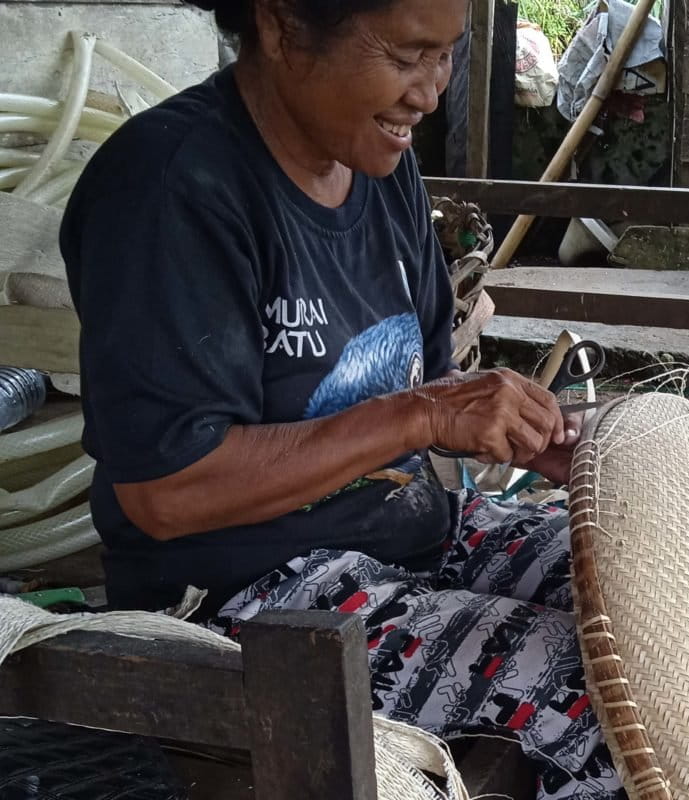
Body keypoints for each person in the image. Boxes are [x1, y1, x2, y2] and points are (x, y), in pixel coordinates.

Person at [58, 0, 624, 797]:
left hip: (416, 538)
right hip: (251, 601)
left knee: (651, 610)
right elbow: (164, 491)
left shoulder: (381, 172)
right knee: (598, 697)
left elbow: (433, 389)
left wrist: (532, 437)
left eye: (446, 55)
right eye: (405, 55)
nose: (429, 92)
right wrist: (422, 414)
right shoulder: (170, 187)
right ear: (284, 26)